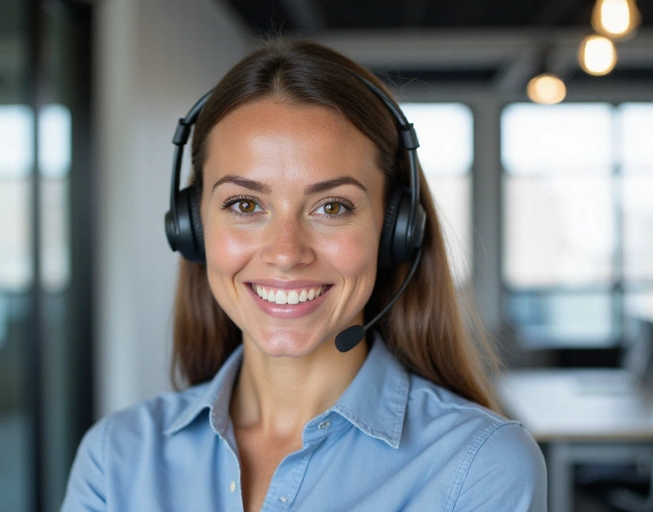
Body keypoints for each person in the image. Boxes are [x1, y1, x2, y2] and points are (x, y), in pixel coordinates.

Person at [62, 38, 547, 511]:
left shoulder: (478, 467)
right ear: (192, 227)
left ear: (396, 229)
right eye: (245, 204)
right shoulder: (116, 457)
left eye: (332, 207)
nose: (287, 253)